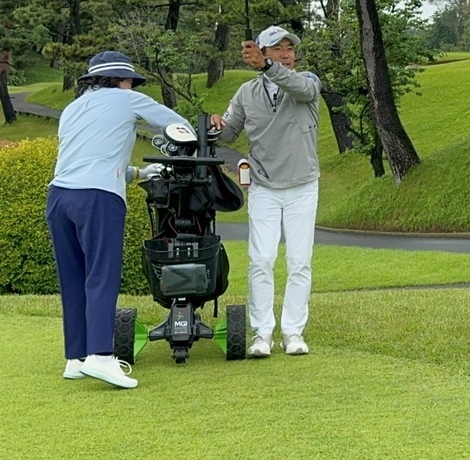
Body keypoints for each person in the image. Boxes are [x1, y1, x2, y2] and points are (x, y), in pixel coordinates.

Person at [47, 51, 191, 388]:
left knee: (74, 278)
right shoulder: (128, 99)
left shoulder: (72, 108)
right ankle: (101, 356)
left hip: (59, 197)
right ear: (122, 80)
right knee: (102, 275)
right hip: (98, 198)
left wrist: (140, 172)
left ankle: (76, 357)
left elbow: (92, 158)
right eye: (130, 81)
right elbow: (178, 125)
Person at [210, 25, 321, 358]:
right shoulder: (246, 93)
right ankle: (262, 333)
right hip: (263, 185)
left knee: (299, 260)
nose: (286, 54)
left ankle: (293, 332)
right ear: (260, 52)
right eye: (277, 49)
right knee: (261, 259)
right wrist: (218, 126)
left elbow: (299, 87)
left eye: (290, 48)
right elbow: (229, 135)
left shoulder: (308, 82)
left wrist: (267, 67)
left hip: (303, 184)